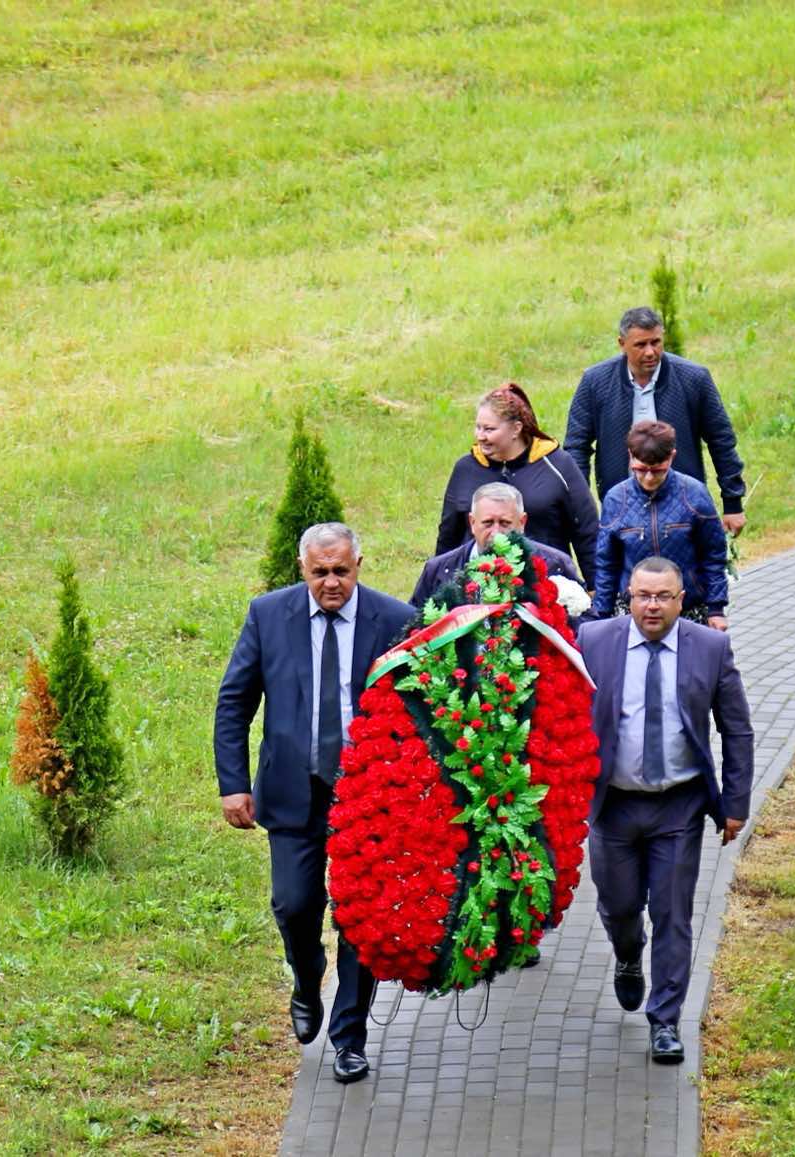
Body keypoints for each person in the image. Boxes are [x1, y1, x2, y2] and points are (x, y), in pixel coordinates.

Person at [213, 523, 416, 1085]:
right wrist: (233, 783)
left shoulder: (395, 619)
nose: (332, 583)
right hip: (293, 791)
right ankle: (307, 978)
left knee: (360, 918)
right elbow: (235, 702)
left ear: (359, 565)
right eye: (320, 572)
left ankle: (350, 1037)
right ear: (303, 569)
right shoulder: (268, 615)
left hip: (366, 793)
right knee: (294, 904)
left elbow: (418, 710)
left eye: (341, 572)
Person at [578, 556, 752, 1065]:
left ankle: (666, 1021)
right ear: (627, 597)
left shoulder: (710, 648)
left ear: (681, 600)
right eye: (642, 596)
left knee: (674, 913)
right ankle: (628, 954)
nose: (651, 606)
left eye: (663, 597)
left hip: (678, 805)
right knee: (619, 906)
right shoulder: (595, 642)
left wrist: (735, 803)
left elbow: (737, 729)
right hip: (613, 805)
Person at [565, 306, 747, 536]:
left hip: (684, 505)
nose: (650, 352)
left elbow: (721, 440)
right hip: (622, 507)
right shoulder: (596, 382)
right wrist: (580, 508)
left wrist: (733, 503)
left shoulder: (694, 378)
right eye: (640, 345)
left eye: (656, 342)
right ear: (622, 344)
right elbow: (576, 446)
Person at [434, 383, 599, 580]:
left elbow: (587, 532)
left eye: (489, 429)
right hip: (477, 587)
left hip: (545, 585)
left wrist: (596, 589)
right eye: (478, 427)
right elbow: (448, 536)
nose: (480, 436)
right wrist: (441, 587)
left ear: (516, 429)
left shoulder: (557, 465)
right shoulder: (465, 469)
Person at [590, 421, 730, 628]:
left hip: (687, 610)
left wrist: (716, 608)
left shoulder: (694, 494)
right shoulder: (616, 499)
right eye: (640, 469)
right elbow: (606, 563)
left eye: (657, 471)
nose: (648, 477)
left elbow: (713, 555)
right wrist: (601, 616)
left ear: (671, 457)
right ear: (630, 456)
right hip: (633, 613)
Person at [411, 482, 582, 609]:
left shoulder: (554, 565)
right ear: (472, 522)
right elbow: (413, 627)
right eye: (488, 523)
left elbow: (584, 623)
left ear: (522, 522)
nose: (496, 533)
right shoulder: (439, 570)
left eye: (505, 523)